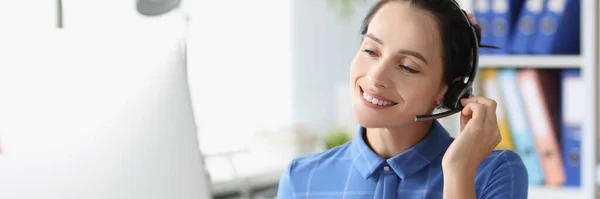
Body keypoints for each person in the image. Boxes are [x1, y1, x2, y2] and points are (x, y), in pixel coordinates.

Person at [276, 0, 529, 198]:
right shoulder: (302, 178)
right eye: (370, 50)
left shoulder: (494, 172)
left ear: (450, 90)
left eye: (407, 66)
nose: (376, 77)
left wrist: (458, 173)